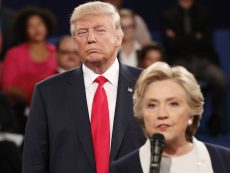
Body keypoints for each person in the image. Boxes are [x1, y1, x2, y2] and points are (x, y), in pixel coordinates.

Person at [22, 2, 146, 173]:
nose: (91, 38)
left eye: (100, 30)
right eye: (82, 32)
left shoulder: (148, 84)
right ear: (75, 43)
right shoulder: (47, 92)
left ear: (119, 37)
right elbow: (33, 161)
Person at [110, 62, 230, 173]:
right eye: (152, 105)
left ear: (191, 113)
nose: (162, 114)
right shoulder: (123, 169)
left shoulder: (223, 161)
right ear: (141, 115)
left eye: (173, 104)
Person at [162, 0, 228, 135]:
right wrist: (195, 37)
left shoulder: (205, 13)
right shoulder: (168, 15)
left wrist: (179, 38)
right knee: (178, 87)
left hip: (203, 60)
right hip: (180, 61)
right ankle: (182, 125)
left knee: (222, 81)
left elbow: (206, 42)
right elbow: (170, 45)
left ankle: (216, 118)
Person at [1, 6, 57, 105]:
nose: (37, 29)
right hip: (22, 109)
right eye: (31, 26)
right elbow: (8, 86)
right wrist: (33, 100)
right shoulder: (14, 53)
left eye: (40, 24)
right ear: (24, 30)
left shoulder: (56, 51)